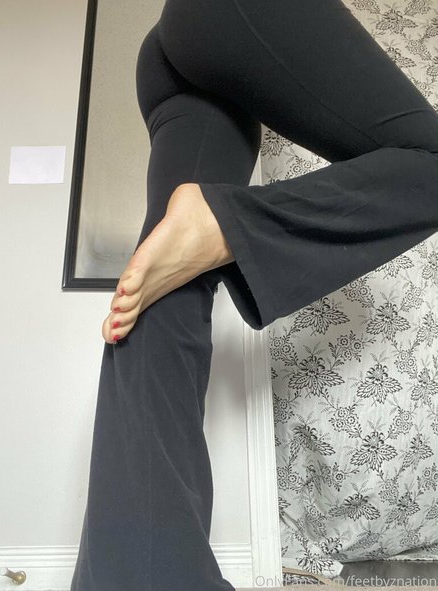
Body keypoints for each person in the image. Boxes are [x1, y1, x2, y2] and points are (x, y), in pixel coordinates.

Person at [70, 1, 438, 590]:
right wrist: (235, 225)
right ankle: (223, 223)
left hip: (184, 54)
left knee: (166, 295)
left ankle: (148, 577)